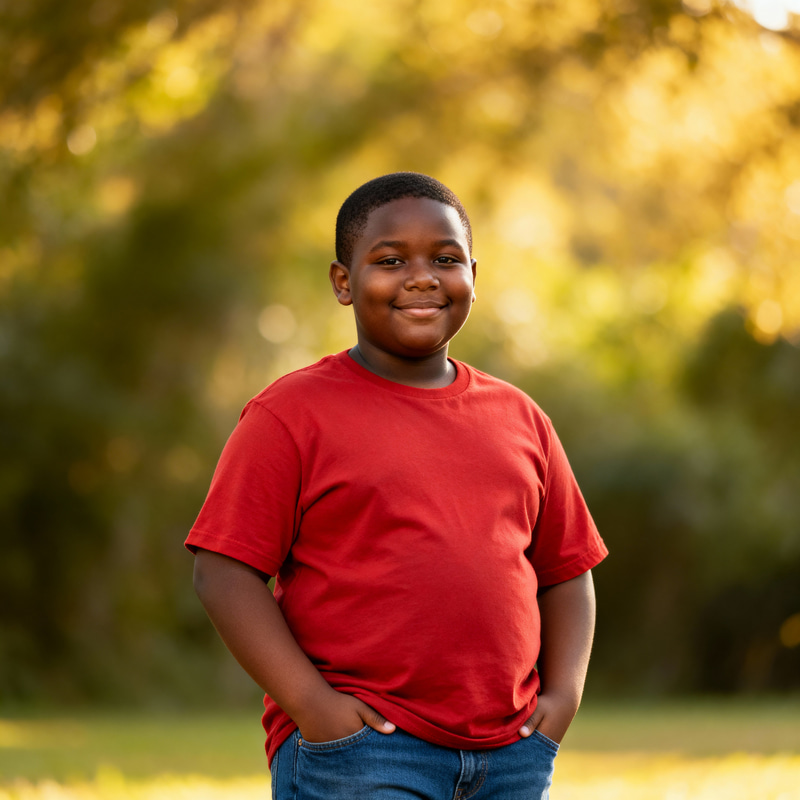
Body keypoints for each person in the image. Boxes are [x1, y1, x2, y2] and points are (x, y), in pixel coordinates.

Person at [186, 172, 608, 799]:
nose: (421, 278)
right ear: (343, 282)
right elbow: (223, 572)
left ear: (473, 277)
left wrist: (564, 695)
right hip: (364, 752)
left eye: (445, 259)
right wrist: (316, 708)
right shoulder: (291, 415)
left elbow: (567, 572)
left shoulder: (520, 417)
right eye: (390, 261)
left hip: (512, 755)